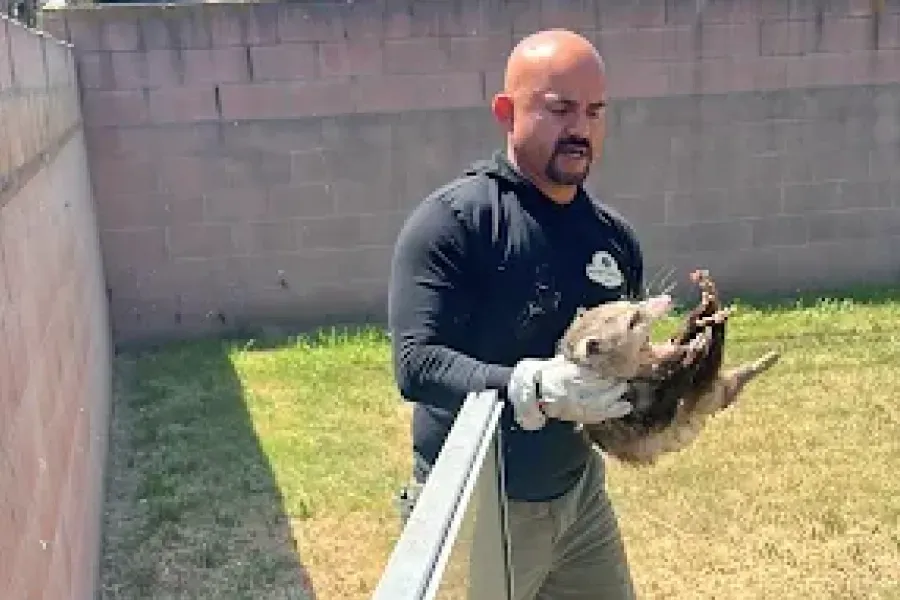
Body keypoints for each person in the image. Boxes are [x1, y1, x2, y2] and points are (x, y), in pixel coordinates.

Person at [387, 28, 644, 600]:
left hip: (579, 498)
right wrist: (528, 386)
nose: (580, 128)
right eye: (560, 109)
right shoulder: (454, 224)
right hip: (480, 508)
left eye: (595, 112)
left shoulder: (614, 239)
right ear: (507, 112)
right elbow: (416, 363)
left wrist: (676, 378)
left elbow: (621, 361)